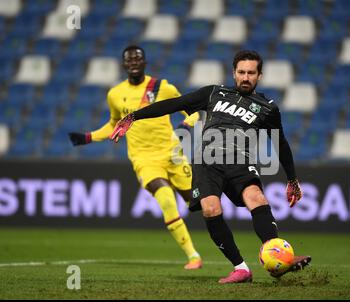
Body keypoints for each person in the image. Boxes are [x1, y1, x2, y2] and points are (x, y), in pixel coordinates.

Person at [110, 50, 311, 283]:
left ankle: (279, 256)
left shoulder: (267, 107)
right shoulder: (215, 93)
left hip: (240, 160)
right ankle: (241, 268)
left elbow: (281, 143)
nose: (245, 77)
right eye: (241, 72)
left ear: (259, 75)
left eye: (251, 73)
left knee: (256, 197)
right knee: (210, 209)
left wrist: (292, 179)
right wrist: (134, 117)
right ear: (234, 73)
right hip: (207, 161)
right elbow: (175, 104)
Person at [68, 45, 202, 269]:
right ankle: (193, 256)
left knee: (200, 204)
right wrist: (88, 137)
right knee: (166, 199)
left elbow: (195, 110)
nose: (133, 63)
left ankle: (233, 257)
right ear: (124, 65)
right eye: (129, 60)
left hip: (173, 154)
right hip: (144, 159)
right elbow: (114, 124)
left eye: (137, 59)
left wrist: (186, 125)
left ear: (144, 63)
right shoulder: (115, 94)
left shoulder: (163, 88)